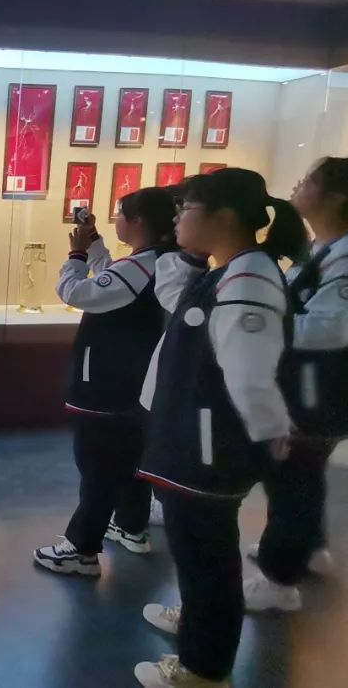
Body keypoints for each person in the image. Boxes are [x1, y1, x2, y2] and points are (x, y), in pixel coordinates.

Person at [135, 168, 307, 687]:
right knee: (200, 553)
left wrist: (273, 437)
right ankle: (197, 622)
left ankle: (202, 670)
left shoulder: (246, 281)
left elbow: (251, 377)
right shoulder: (230, 270)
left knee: (206, 557)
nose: (177, 218)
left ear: (224, 216)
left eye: (187, 208)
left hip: (209, 447)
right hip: (197, 439)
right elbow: (176, 302)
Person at [33, 188, 177, 577]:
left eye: (120, 214)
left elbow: (77, 292)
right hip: (131, 384)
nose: (117, 221)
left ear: (138, 222)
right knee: (128, 460)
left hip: (105, 384)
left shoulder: (142, 266)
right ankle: (130, 527)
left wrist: (77, 255)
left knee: (97, 466)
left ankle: (81, 550)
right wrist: (94, 241)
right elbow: (114, 275)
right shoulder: (156, 261)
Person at [244, 157, 348, 611]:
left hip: (317, 389)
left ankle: (279, 579)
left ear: (336, 197)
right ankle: (306, 547)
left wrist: (264, 325)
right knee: (301, 473)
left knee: (292, 477)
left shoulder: (343, 257)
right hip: (307, 385)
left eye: (308, 180)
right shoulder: (323, 249)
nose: (298, 185)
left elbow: (329, 326)